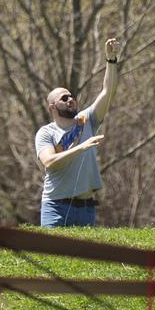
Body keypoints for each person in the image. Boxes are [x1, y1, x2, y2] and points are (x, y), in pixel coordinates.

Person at [35, 38, 119, 227]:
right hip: (56, 207)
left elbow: (108, 92)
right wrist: (81, 147)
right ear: (52, 107)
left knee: (85, 258)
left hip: (87, 207)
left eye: (71, 96)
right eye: (64, 98)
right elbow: (49, 162)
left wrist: (111, 60)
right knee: (52, 257)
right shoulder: (46, 133)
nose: (71, 99)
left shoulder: (86, 120)